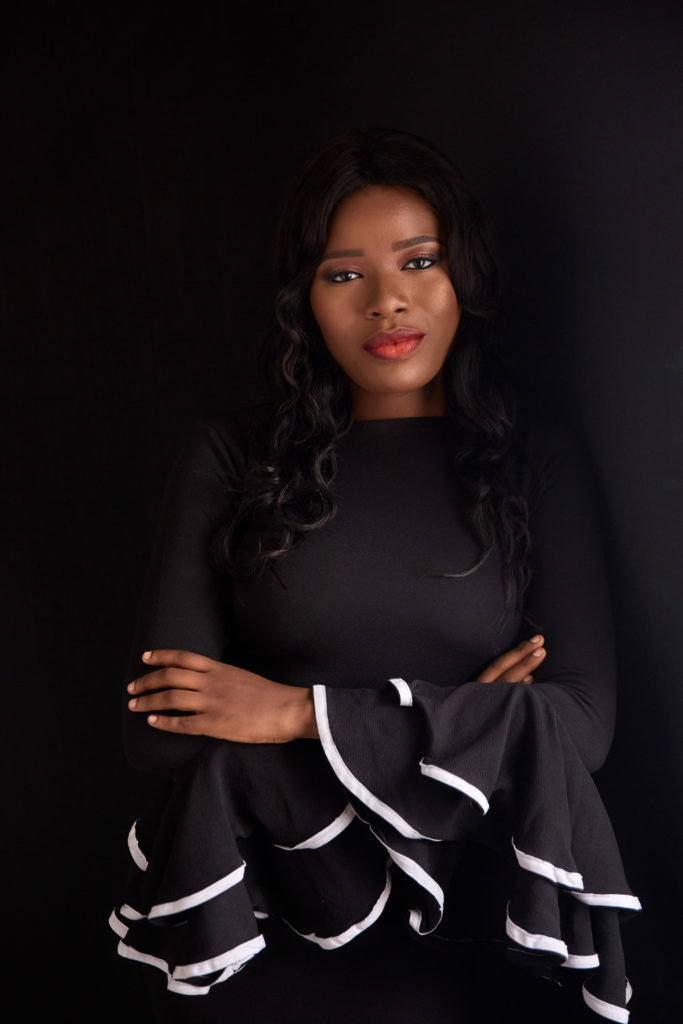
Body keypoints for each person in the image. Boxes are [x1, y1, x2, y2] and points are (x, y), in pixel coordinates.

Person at [111, 129, 639, 1022]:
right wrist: (471, 716)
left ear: (463, 275)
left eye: (418, 262)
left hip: (479, 939)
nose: (386, 302)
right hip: (272, 933)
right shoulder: (231, 457)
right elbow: (159, 736)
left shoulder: (536, 459)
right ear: (306, 301)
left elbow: (579, 727)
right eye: (343, 273)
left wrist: (291, 712)